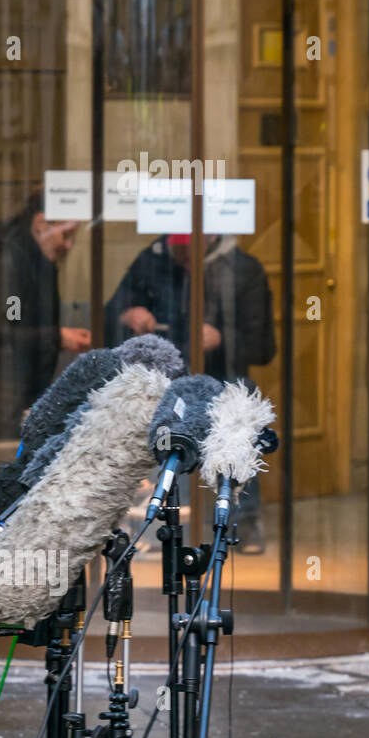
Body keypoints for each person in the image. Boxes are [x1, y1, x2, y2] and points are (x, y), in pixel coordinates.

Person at [104, 233, 276, 552]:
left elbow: (264, 346)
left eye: (189, 253)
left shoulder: (244, 269)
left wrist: (223, 338)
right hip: (168, 378)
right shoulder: (153, 259)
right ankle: (158, 521)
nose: (183, 260)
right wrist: (128, 314)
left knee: (239, 423)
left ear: (210, 239)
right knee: (156, 421)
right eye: (178, 252)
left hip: (224, 376)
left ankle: (244, 520)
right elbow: (110, 312)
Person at [0, 192, 88, 440]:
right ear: (41, 224)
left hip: (15, 390)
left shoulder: (34, 259)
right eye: (66, 235)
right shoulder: (11, 261)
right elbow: (9, 325)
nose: (69, 246)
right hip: (2, 396)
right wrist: (58, 337)